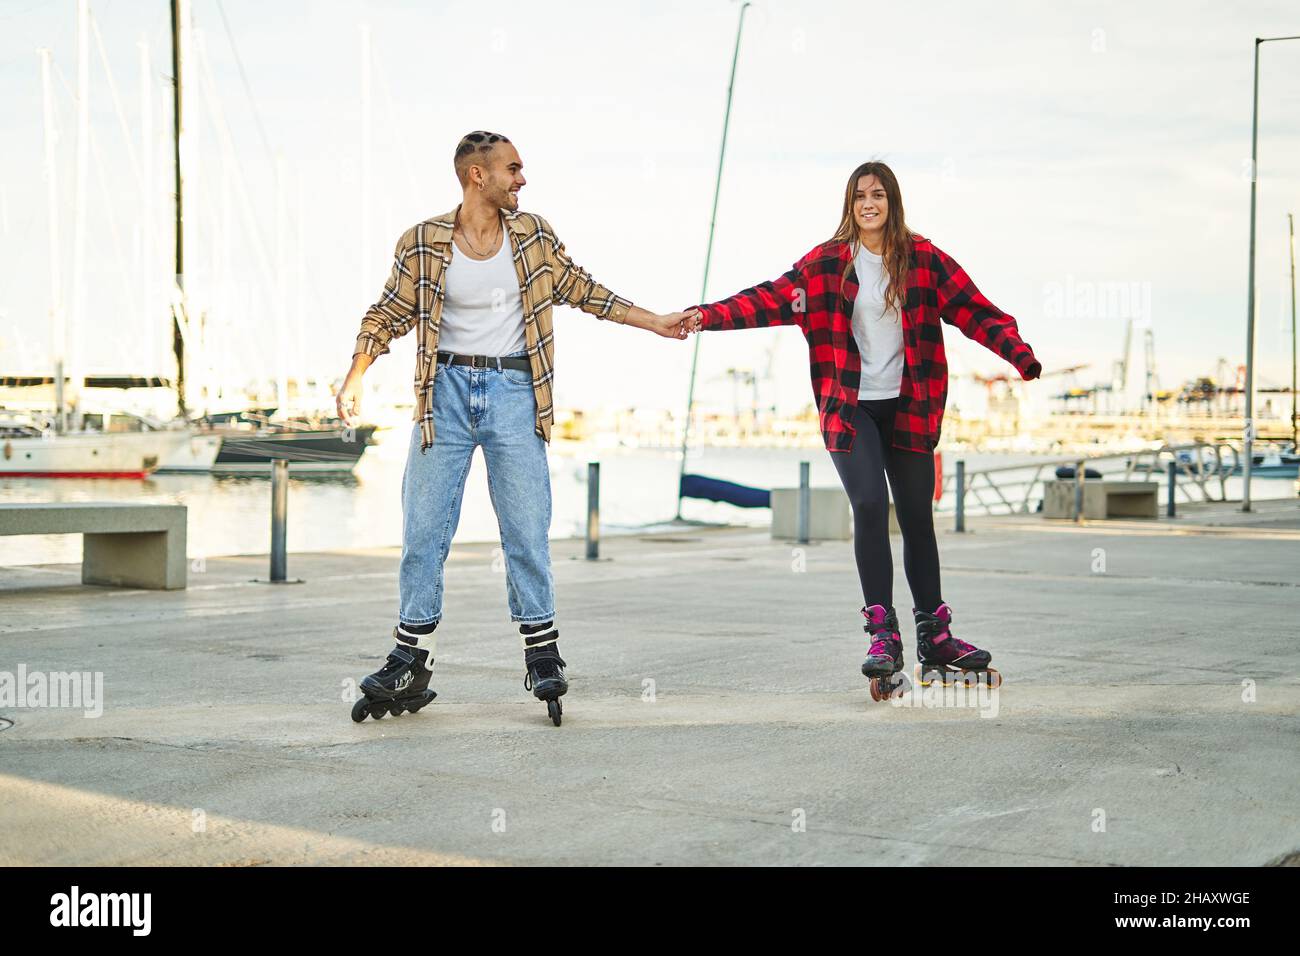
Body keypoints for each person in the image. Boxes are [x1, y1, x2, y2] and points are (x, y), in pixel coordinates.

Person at [337, 131, 697, 724]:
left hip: (514, 392)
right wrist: (355, 374)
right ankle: (409, 659)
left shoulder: (533, 236)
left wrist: (653, 321)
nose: (522, 179)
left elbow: (584, 290)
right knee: (424, 530)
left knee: (526, 529)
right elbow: (387, 314)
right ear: (478, 176)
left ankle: (542, 652)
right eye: (514, 169)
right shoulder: (423, 242)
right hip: (444, 394)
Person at [685, 161, 1041, 693]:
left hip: (911, 404)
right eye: (858, 197)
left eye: (877, 195)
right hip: (850, 405)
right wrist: (703, 316)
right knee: (870, 505)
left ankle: (935, 637)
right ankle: (883, 636)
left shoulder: (924, 259)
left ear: (892, 201)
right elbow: (765, 298)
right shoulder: (826, 264)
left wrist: (1018, 354)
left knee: (918, 517)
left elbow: (977, 310)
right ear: (849, 206)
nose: (868, 204)